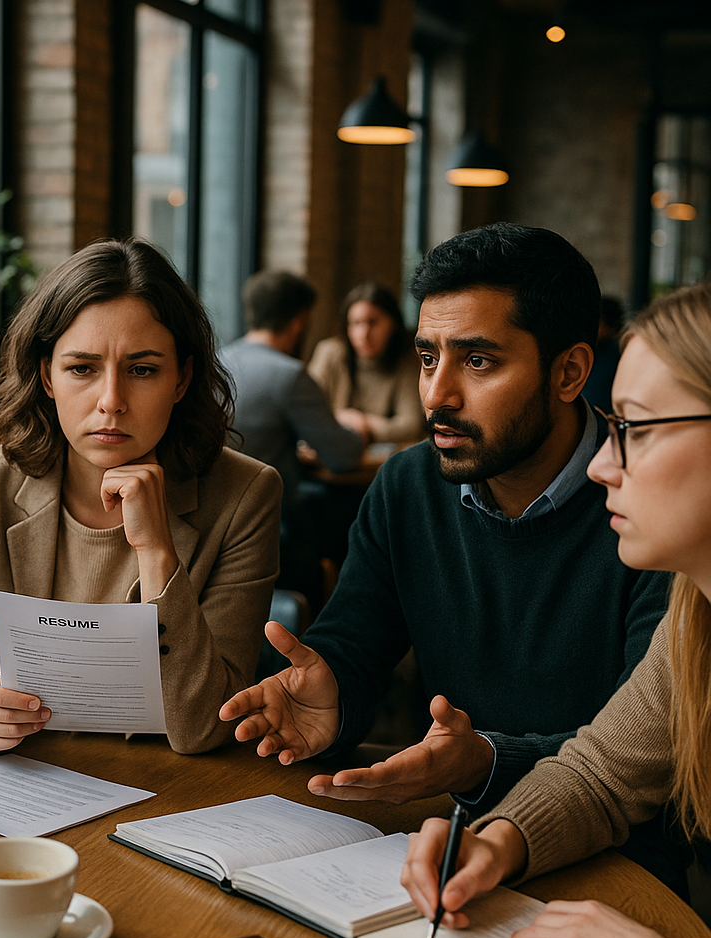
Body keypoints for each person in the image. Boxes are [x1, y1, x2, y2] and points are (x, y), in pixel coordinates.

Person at [220, 222, 680, 891]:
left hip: (621, 870)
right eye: (429, 357)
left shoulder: (652, 511)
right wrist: (333, 697)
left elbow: (636, 757)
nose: (436, 395)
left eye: (479, 361)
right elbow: (353, 644)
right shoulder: (408, 486)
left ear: (570, 371)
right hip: (447, 843)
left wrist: (483, 760)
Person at [401, 281, 711, 938]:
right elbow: (604, 775)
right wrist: (498, 842)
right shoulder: (695, 615)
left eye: (634, 428)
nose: (603, 464)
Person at [0, 238, 281, 757]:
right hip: (22, 777)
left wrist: (157, 552)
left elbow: (206, 725)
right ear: (46, 375)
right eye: (82, 368)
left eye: (143, 369)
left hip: (173, 788)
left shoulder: (245, 495)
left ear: (182, 378)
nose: (111, 401)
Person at [219, 269, 362, 607]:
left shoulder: (217, 361)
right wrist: (357, 428)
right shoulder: (289, 375)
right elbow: (342, 456)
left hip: (215, 525)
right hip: (274, 535)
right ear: (299, 320)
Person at [306, 282, 425, 444]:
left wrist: (359, 422)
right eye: (356, 323)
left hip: (379, 462)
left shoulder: (406, 362)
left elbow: (410, 427)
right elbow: (307, 412)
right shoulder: (330, 353)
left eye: (372, 322)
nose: (363, 334)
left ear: (393, 323)